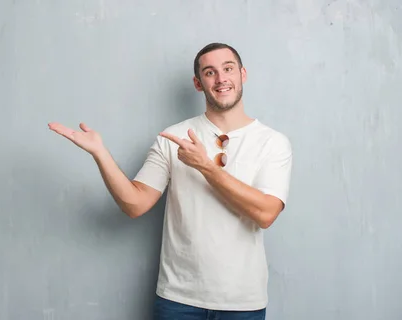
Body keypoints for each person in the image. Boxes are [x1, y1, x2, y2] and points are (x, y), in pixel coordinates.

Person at [48, 42, 293, 320]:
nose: (221, 78)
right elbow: (135, 204)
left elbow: (266, 213)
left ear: (242, 74)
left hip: (242, 302)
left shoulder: (273, 143)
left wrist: (206, 167)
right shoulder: (172, 138)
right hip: (178, 300)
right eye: (210, 72)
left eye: (228, 69)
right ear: (198, 83)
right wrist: (100, 154)